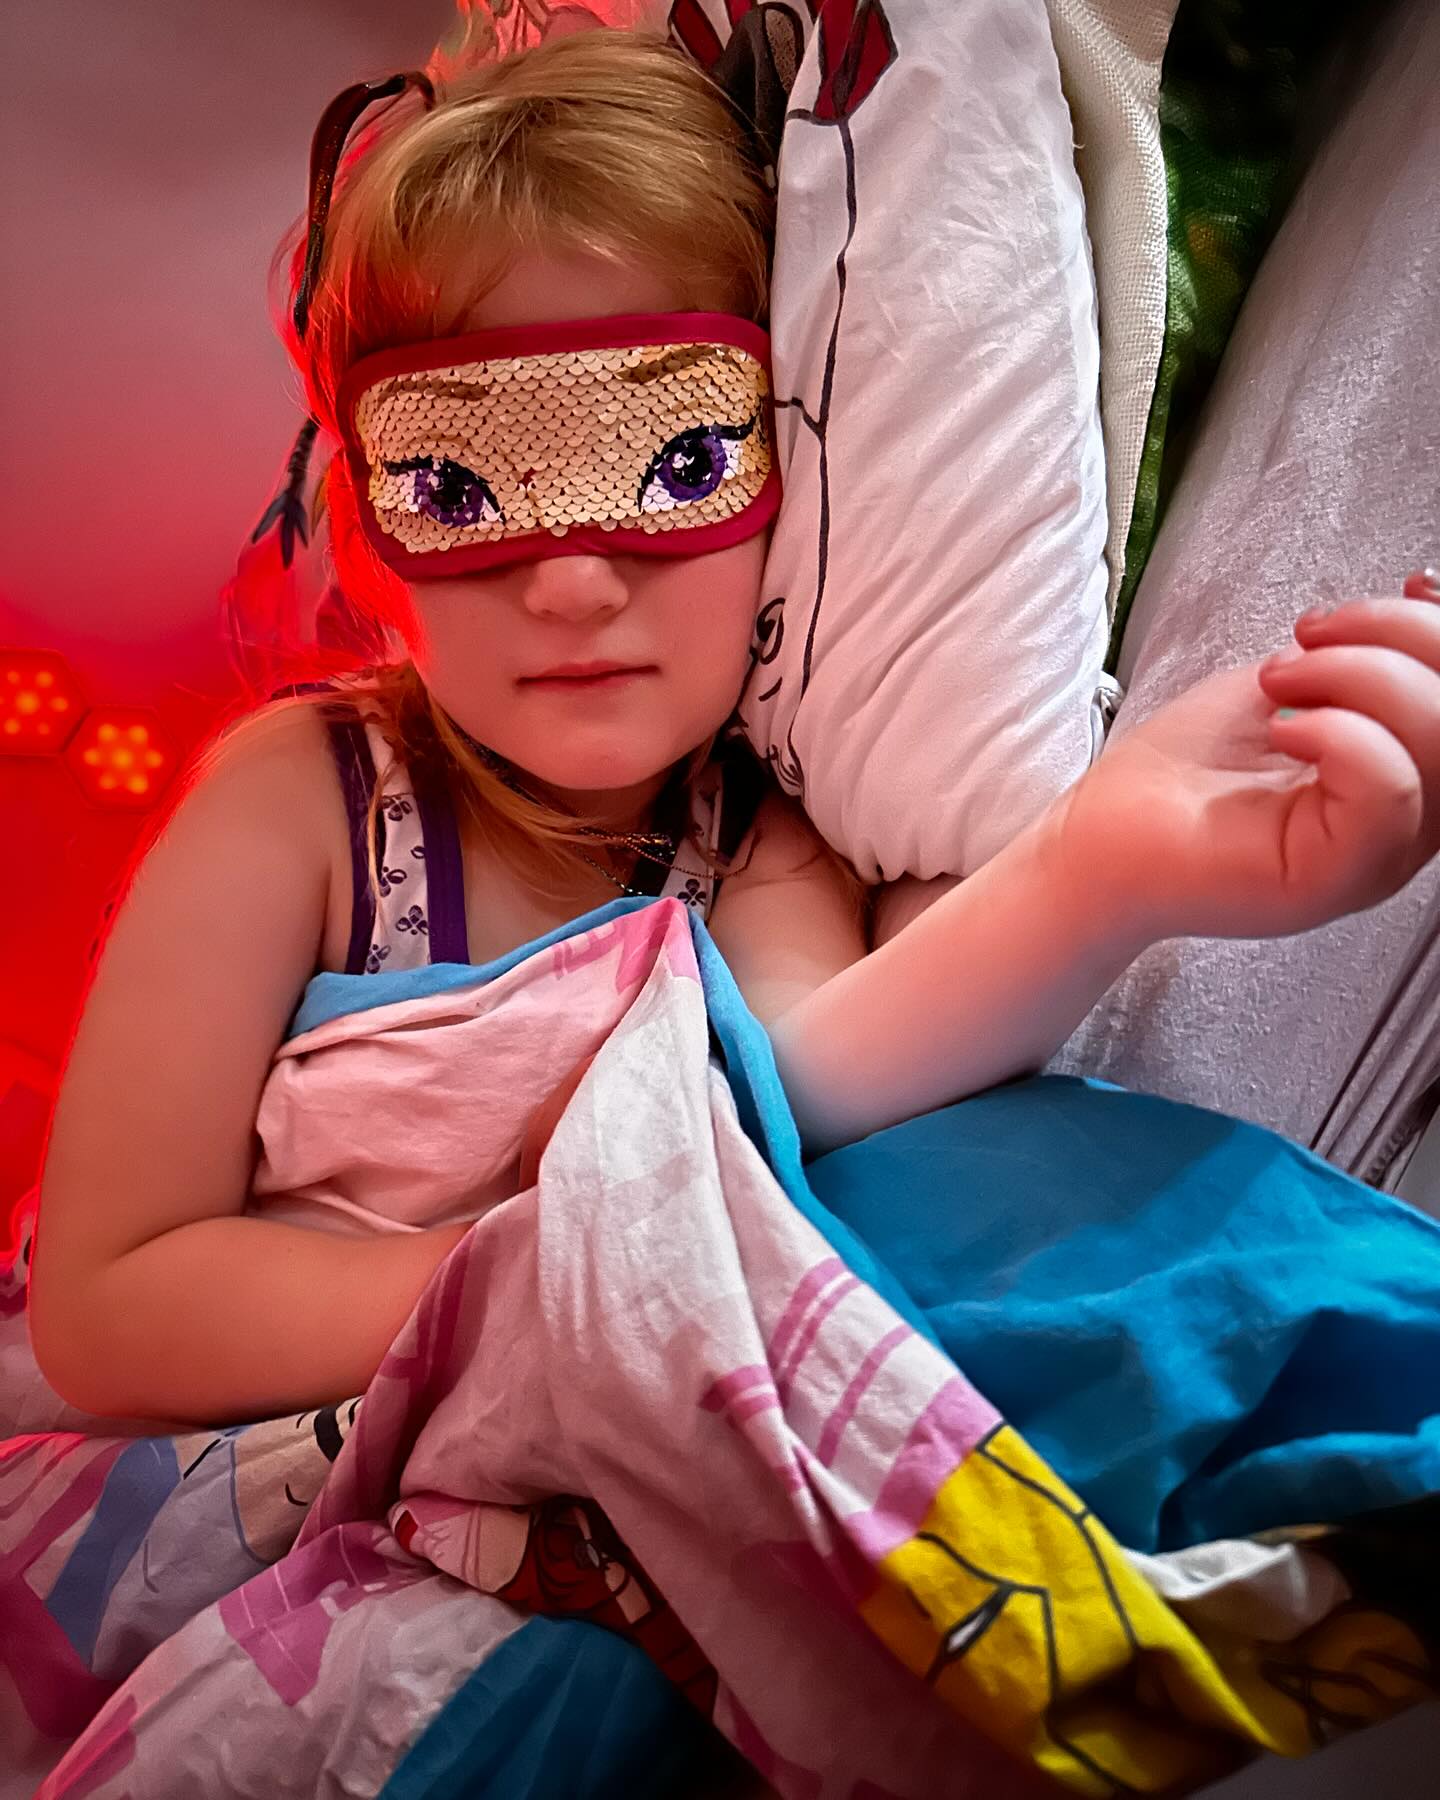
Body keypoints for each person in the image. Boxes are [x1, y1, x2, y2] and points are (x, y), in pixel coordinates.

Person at [28, 30, 1440, 1428]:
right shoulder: (303, 806)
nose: (573, 585)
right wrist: (558, 1282)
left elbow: (795, 1092)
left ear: (796, 482)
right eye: (460, 489)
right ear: (363, 525)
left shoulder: (757, 845)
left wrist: (1109, 864)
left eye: (679, 461)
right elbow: (109, 1302)